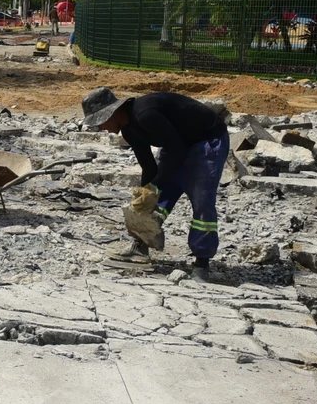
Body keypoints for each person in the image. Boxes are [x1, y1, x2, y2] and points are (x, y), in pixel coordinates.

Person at [81, 87, 230, 279]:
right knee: (156, 197)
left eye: (101, 121)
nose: (101, 127)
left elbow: (178, 151)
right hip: (177, 143)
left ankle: (202, 263)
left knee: (202, 202)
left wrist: (155, 186)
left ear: (114, 112)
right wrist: (146, 192)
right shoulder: (129, 131)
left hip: (206, 141)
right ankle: (141, 244)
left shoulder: (146, 115)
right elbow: (149, 167)